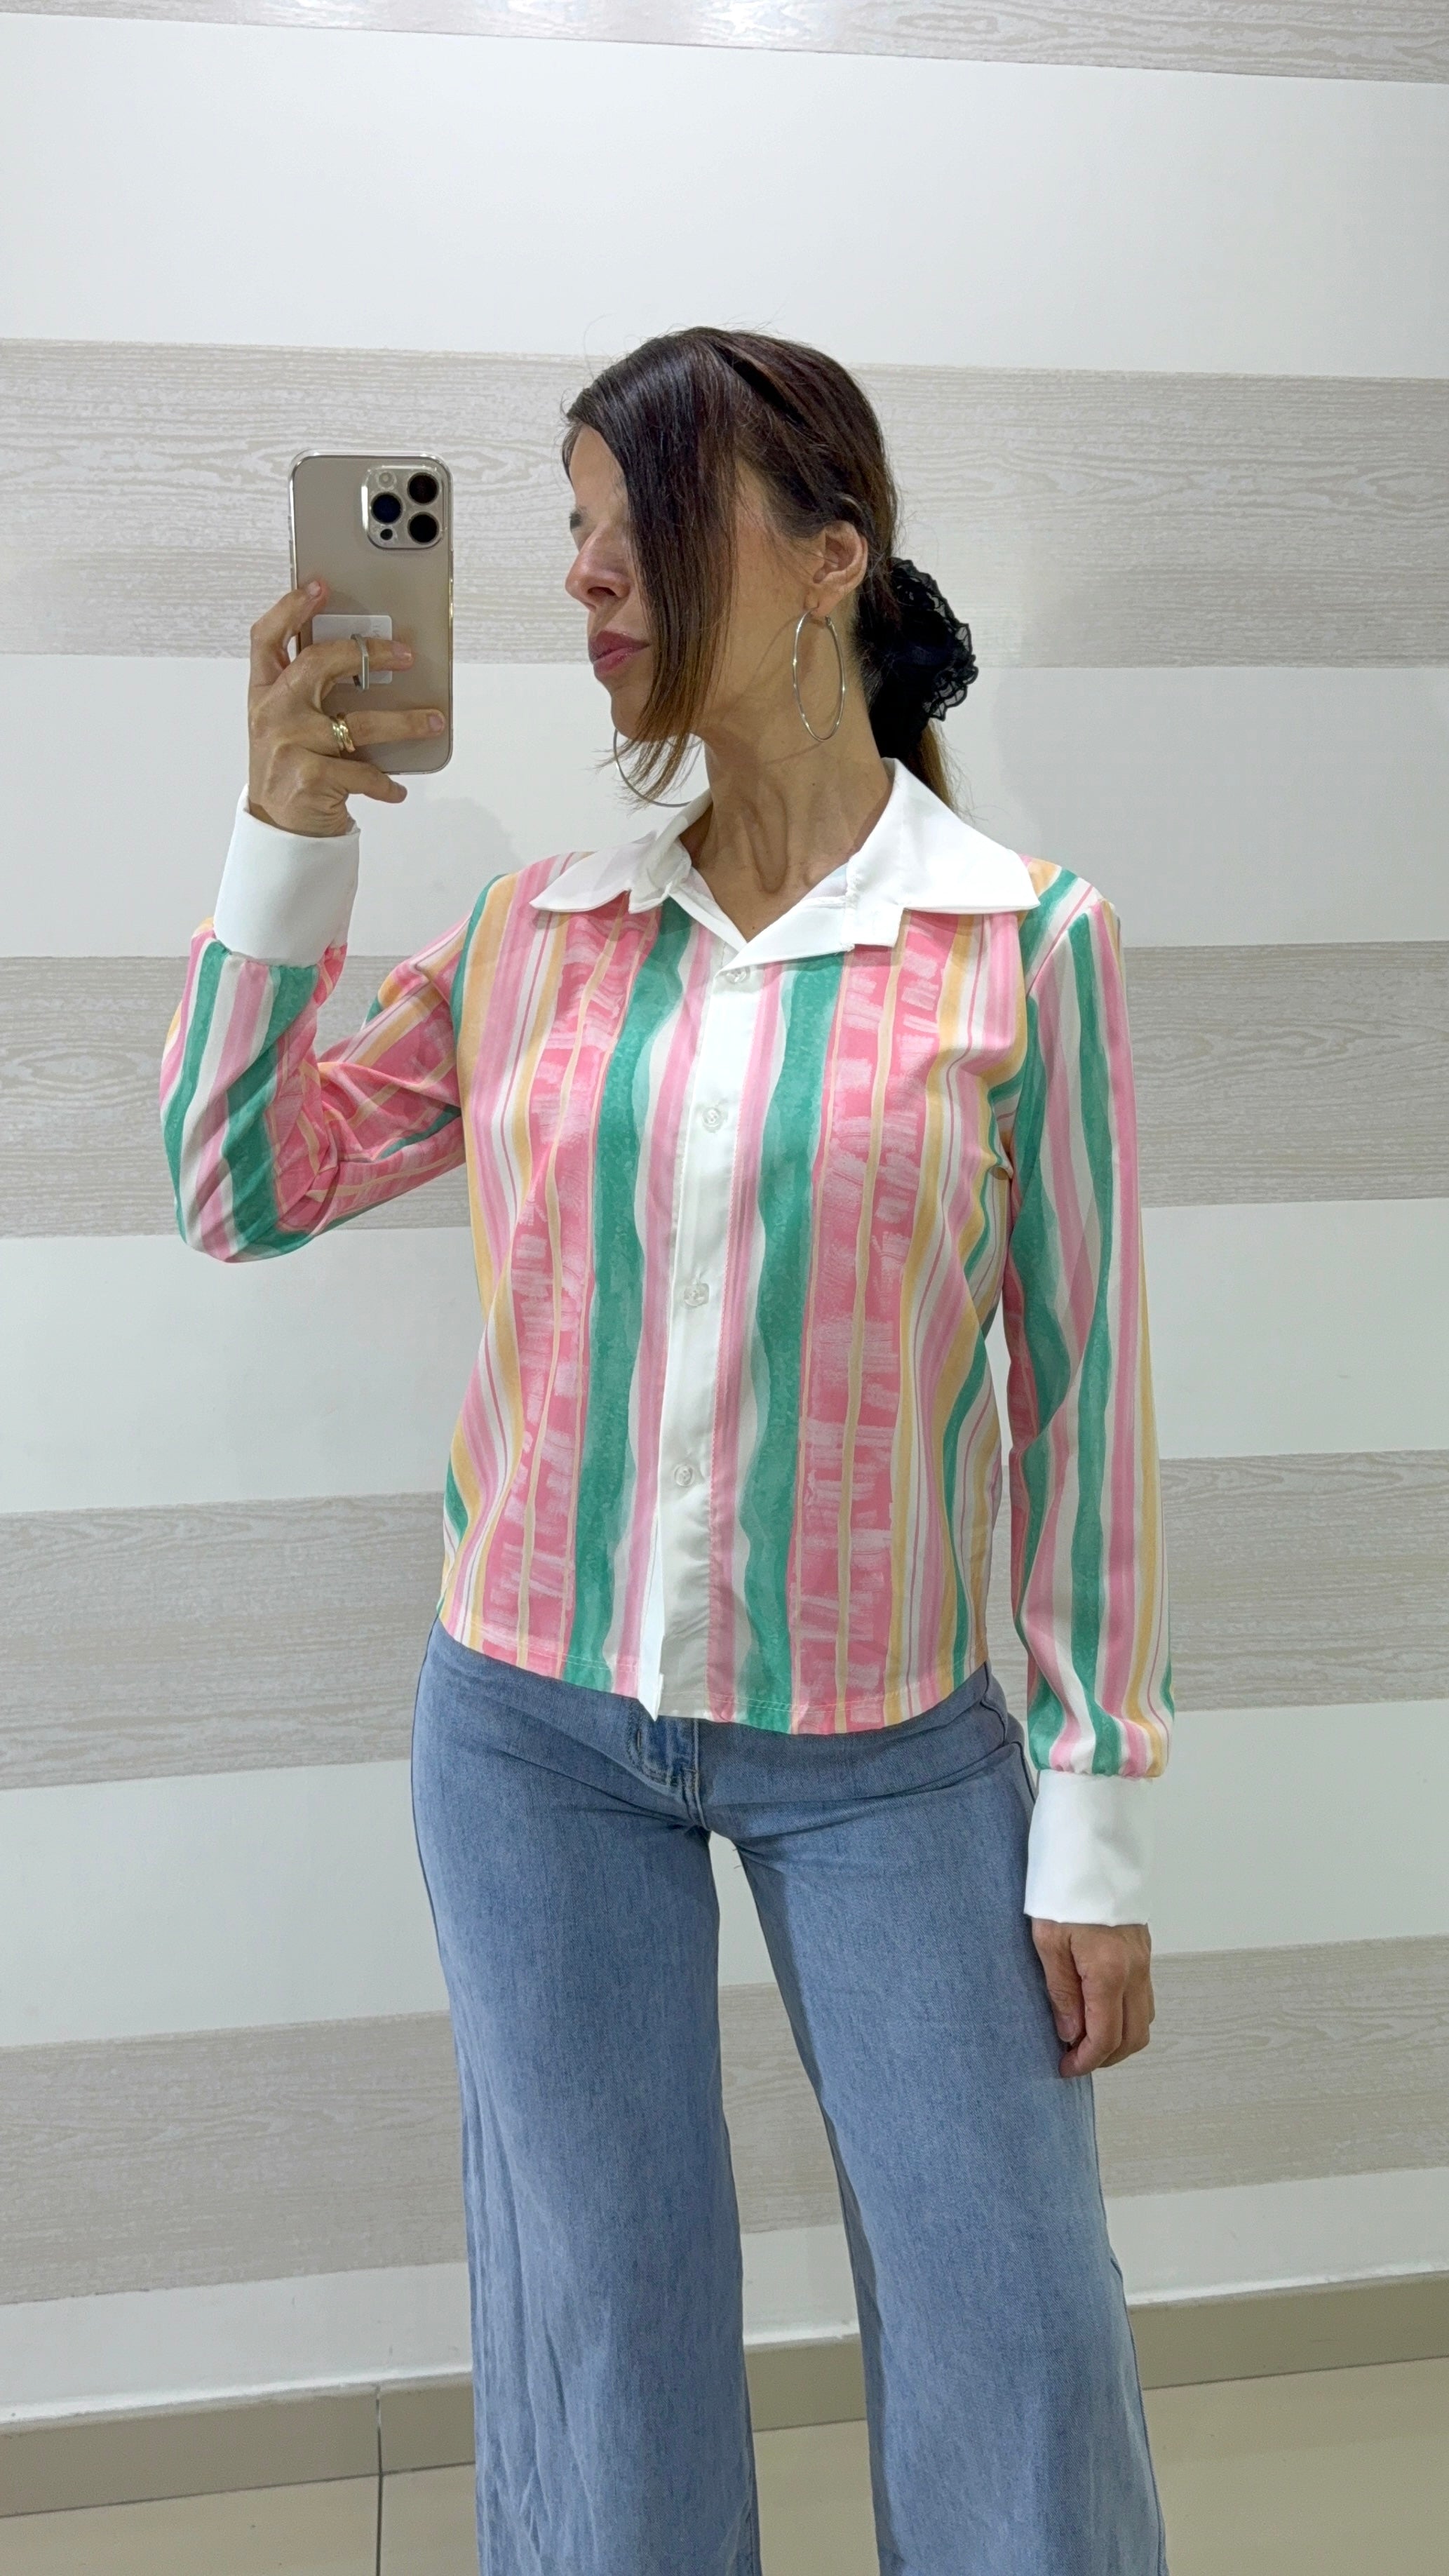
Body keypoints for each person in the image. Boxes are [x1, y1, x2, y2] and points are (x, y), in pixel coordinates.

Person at [161, 327, 1173, 2575]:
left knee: (1014, 2330)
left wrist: (1090, 1827)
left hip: (886, 1753)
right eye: (574, 538)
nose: (583, 582)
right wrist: (285, 835)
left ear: (827, 561)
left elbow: (1084, 1398)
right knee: (603, 2334)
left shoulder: (1022, 948)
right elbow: (236, 1183)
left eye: (639, 533)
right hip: (527, 1734)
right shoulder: (541, 932)